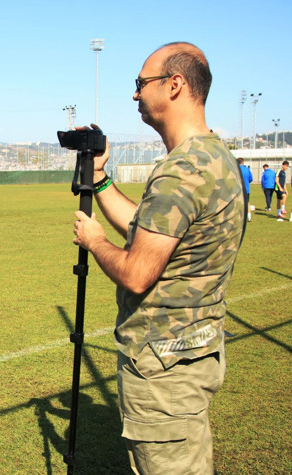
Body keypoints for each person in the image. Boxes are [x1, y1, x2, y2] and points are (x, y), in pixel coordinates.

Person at [72, 42, 244, 474]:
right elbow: (152, 232)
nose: (134, 95)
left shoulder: (180, 171)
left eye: (140, 84)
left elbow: (137, 272)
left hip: (162, 367)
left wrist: (94, 240)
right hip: (193, 353)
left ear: (175, 85)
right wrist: (101, 180)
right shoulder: (214, 157)